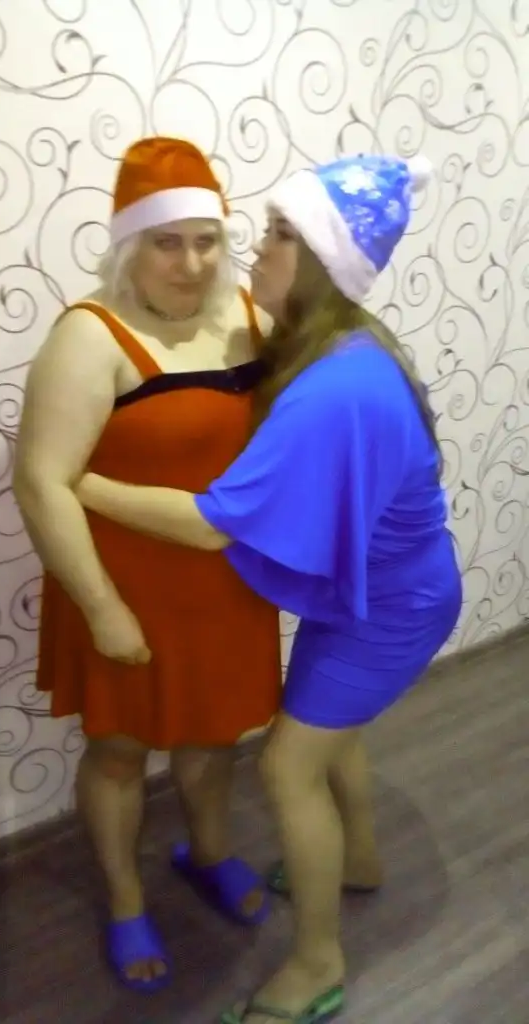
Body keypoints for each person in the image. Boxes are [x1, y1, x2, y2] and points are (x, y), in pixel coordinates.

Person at [74, 152, 463, 1022]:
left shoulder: (336, 386)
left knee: (289, 765)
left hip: (390, 610)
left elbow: (212, 523)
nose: (256, 249)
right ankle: (359, 857)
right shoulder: (344, 343)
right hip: (377, 590)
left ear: (323, 260)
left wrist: (81, 485)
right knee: (326, 734)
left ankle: (317, 964)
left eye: (281, 234)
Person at [12, 136, 283, 994]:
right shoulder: (90, 336)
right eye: (168, 242)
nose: (191, 262)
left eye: (206, 240)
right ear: (130, 243)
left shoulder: (247, 316)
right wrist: (101, 608)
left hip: (227, 583)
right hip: (122, 588)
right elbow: (41, 484)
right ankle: (126, 899)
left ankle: (208, 852)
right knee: (121, 753)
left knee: (214, 739)